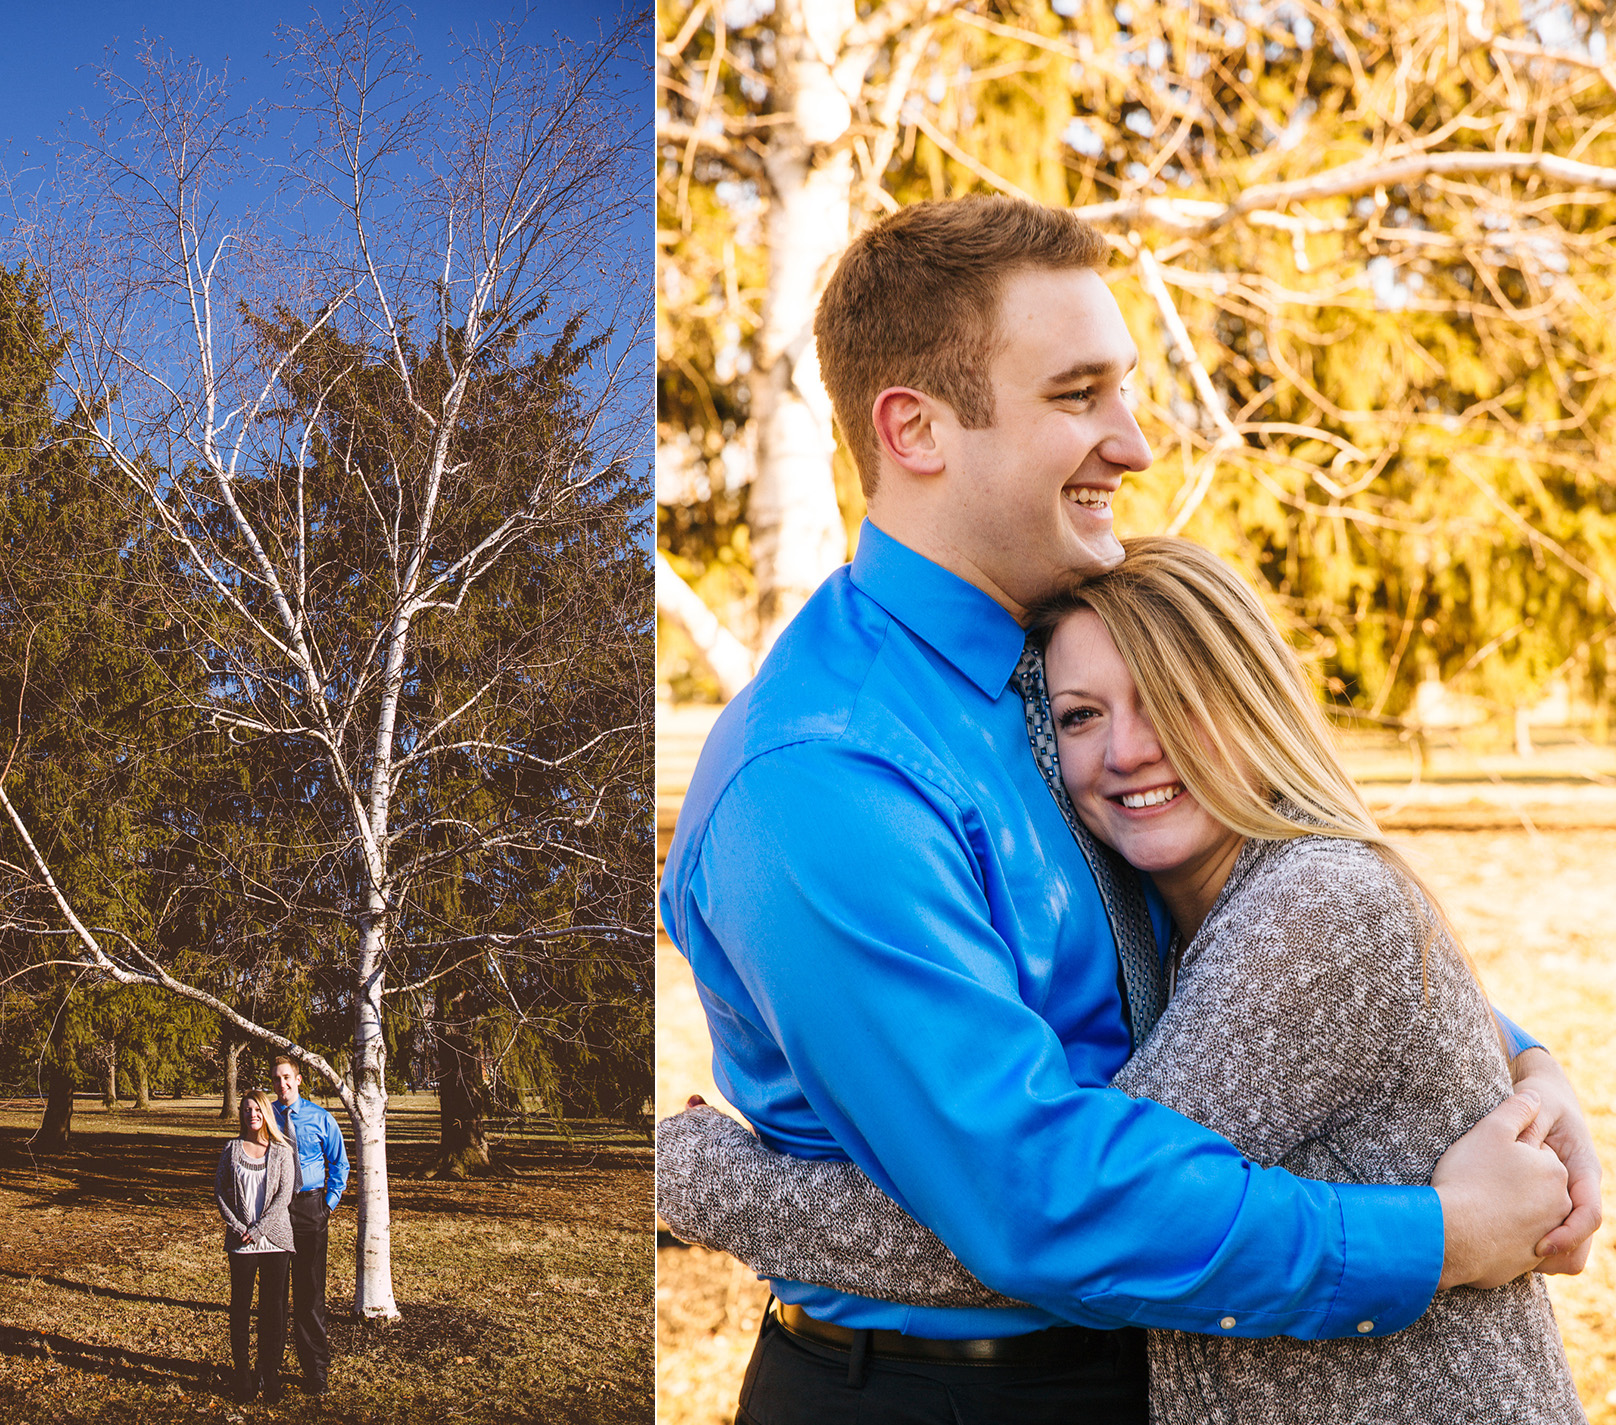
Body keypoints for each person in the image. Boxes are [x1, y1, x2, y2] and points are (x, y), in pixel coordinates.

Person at [656, 194, 1602, 1423]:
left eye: (1126, 390)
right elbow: (1034, 1204)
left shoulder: (1068, 660)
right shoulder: (826, 779)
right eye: (1079, 394)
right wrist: (1431, 1239)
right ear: (917, 428)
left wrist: (1518, 1061)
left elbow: (1263, 944)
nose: (1138, 441)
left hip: (1156, 1362)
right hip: (949, 1395)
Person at [270, 1053, 350, 1396]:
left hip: (310, 1209)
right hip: (275, 1212)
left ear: (299, 1080)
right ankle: (268, 1370)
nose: (282, 1085)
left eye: (287, 1078)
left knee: (310, 1294)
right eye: (276, 1079)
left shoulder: (321, 1118)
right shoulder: (266, 1116)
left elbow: (340, 1165)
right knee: (273, 1296)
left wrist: (326, 1207)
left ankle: (316, 1371)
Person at [216, 1088, 297, 1404]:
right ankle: (243, 1375)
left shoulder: (281, 1149)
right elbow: (220, 1192)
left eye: (258, 1109)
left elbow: (284, 1196)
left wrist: (261, 1228)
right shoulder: (232, 1149)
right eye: (247, 1109)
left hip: (276, 1241)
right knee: (240, 1308)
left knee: (272, 1311)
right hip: (241, 1243)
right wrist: (239, 1228)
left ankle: (270, 1372)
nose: (252, 1114)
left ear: (266, 1114)